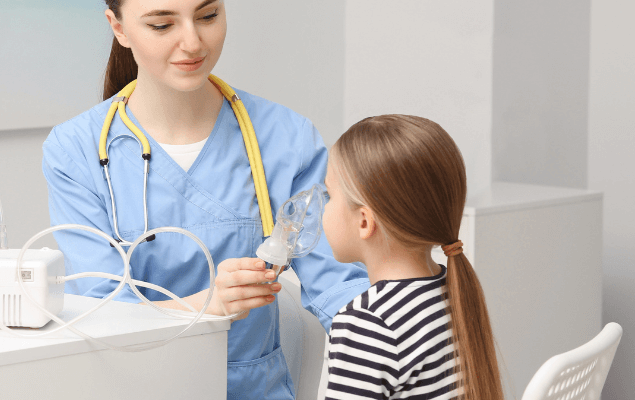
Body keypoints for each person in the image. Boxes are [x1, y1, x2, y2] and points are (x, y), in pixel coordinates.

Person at [41, 0, 369, 398]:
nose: (193, 42)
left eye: (208, 16)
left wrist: (403, 338)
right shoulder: (77, 150)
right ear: (119, 28)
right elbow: (104, 308)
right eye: (162, 25)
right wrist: (205, 305)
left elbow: (338, 284)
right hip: (133, 386)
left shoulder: (285, 137)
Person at [321, 115, 503, 399]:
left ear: (364, 222)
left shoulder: (366, 323)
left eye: (328, 194)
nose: (321, 205)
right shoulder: (451, 288)